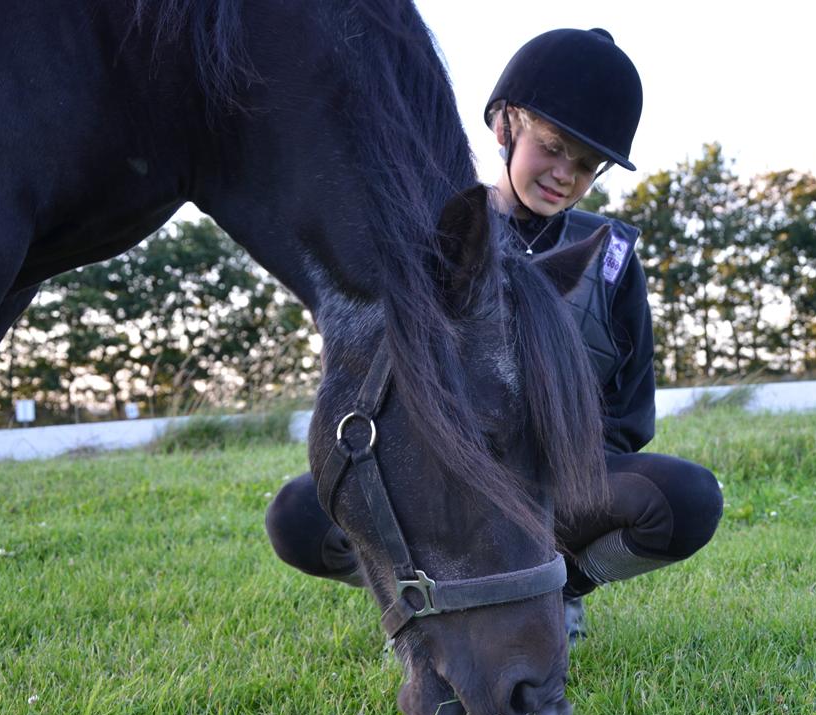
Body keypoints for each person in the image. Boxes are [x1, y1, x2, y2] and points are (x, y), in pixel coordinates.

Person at [265, 28, 723, 644]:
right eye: (553, 147)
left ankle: (560, 587)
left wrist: (546, 464)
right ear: (505, 123)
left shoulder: (612, 258)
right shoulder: (429, 233)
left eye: (588, 165)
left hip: (558, 487)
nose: (566, 174)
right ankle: (423, 587)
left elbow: (629, 418)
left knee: (691, 498)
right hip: (439, 481)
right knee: (296, 517)